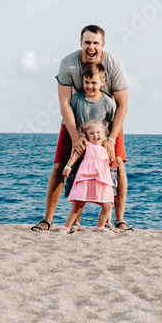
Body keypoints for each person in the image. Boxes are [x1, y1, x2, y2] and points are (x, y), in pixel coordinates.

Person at [31, 25, 133, 232]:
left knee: (119, 166)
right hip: (75, 121)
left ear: (103, 45)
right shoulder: (68, 64)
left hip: (107, 125)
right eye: (87, 42)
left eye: (95, 43)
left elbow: (123, 104)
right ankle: (47, 219)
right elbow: (64, 103)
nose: (91, 47)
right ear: (81, 43)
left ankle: (119, 219)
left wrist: (111, 138)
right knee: (60, 166)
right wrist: (75, 137)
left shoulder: (113, 64)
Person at [61, 62, 116, 219]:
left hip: (101, 151)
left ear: (102, 82)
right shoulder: (76, 100)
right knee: (78, 188)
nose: (90, 86)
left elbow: (113, 123)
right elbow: (69, 118)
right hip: (81, 146)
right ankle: (76, 222)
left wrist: (110, 141)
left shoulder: (108, 103)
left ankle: (106, 222)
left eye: (94, 82)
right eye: (86, 82)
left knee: (105, 188)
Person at [58, 120, 119, 234]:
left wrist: (117, 162)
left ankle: (100, 226)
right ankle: (66, 226)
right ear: (87, 136)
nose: (95, 135)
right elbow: (75, 155)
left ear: (103, 134)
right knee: (78, 205)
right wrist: (68, 167)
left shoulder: (106, 148)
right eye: (91, 133)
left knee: (107, 206)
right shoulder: (87, 145)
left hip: (101, 180)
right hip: (86, 178)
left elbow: (111, 165)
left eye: (98, 132)